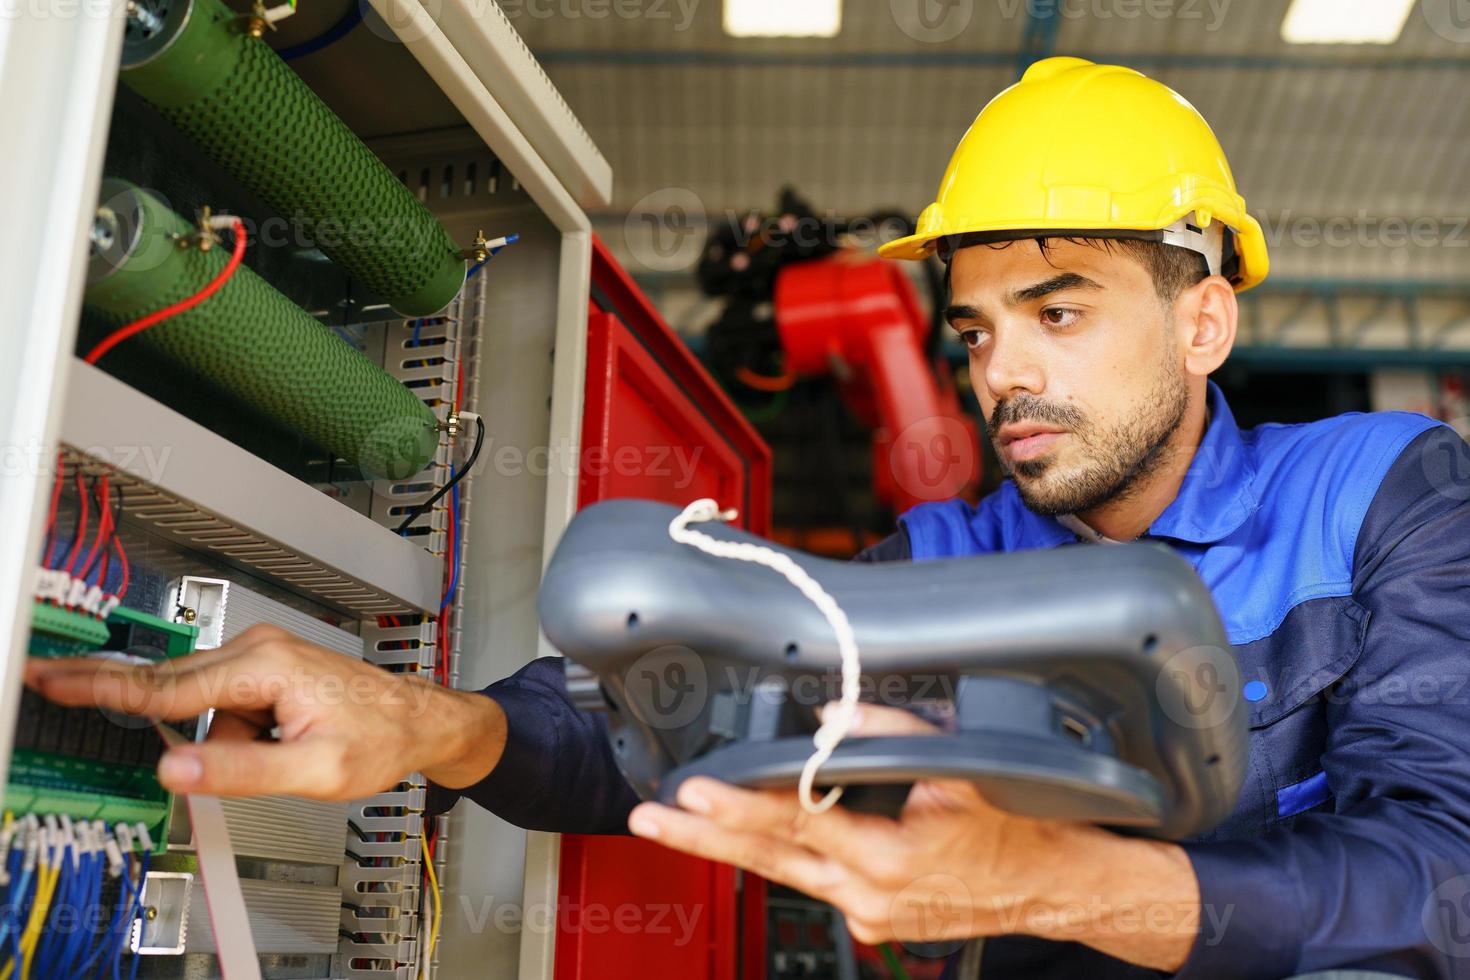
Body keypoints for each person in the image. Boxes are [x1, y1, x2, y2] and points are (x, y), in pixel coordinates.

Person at [28, 56, 1470, 979]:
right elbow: (667, 718)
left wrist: (1065, 885)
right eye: (971, 332)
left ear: (1204, 316)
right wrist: (430, 727)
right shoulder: (949, 564)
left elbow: (1439, 881)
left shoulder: (1378, 493)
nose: (1003, 371)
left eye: (1058, 309)